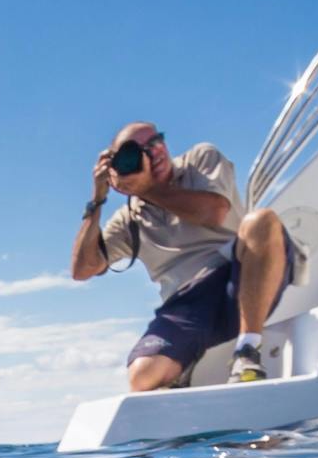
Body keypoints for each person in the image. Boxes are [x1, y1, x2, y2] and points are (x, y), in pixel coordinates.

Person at [71, 121, 305, 390]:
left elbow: (213, 212)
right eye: (135, 153)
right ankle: (184, 365)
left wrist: (146, 188)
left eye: (156, 141)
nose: (153, 153)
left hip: (240, 278)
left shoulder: (201, 159)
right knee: (142, 376)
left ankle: (248, 352)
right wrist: (97, 200)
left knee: (261, 221)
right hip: (187, 304)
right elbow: (82, 270)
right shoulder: (129, 220)